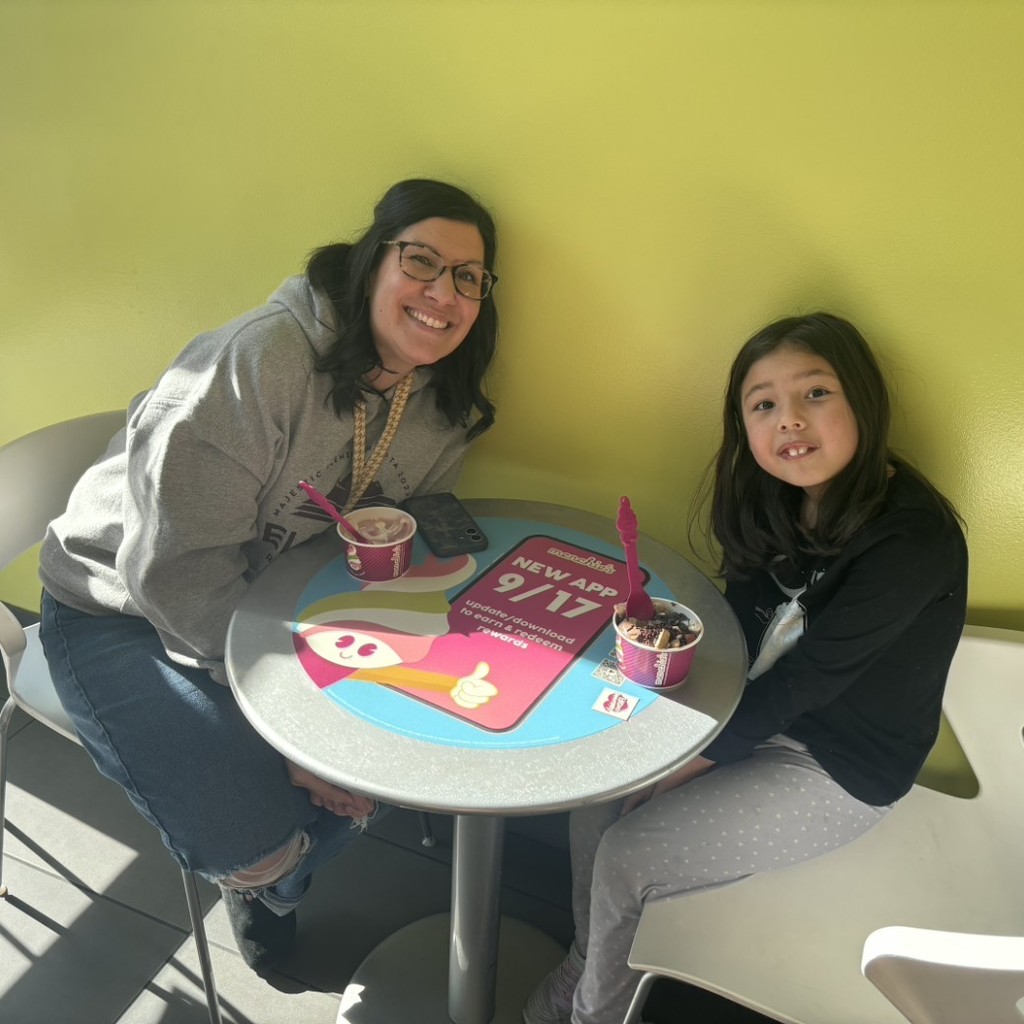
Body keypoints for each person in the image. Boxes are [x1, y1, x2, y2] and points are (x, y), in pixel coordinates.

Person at [37, 178, 500, 973]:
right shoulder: (262, 361)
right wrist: (283, 729)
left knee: (395, 746)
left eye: (468, 277)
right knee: (256, 836)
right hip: (120, 607)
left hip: (280, 614)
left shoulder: (439, 405)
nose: (442, 292)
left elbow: (385, 548)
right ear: (369, 263)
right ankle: (268, 882)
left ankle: (289, 855)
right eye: (420, 261)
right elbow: (171, 573)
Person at [523, 312, 968, 1024]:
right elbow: (737, 629)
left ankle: (593, 1012)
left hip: (839, 769)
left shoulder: (911, 538)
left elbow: (806, 680)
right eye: (764, 404)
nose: (789, 420)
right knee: (595, 794)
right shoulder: (773, 501)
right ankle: (588, 959)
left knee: (628, 855)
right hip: (753, 714)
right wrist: (657, 730)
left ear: (864, 400)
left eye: (815, 394)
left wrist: (680, 765)